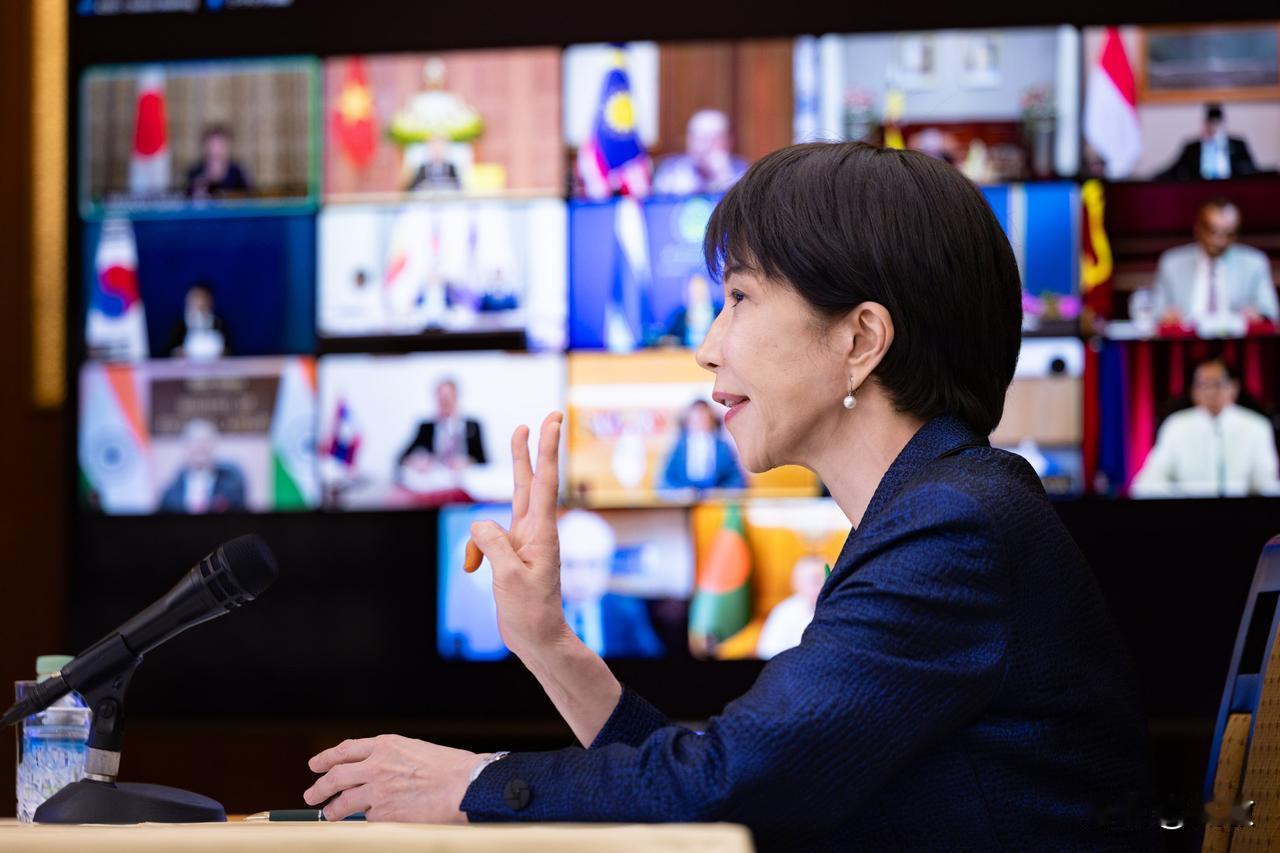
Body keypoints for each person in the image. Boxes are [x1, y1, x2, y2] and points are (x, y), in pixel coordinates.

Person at [303, 143, 1157, 850]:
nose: (708, 346)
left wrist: (474, 783)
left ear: (861, 338)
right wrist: (548, 642)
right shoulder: (943, 508)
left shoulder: (955, 529)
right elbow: (736, 790)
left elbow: (729, 784)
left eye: (740, 297)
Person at [1131, 357, 1280, 498]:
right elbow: (1147, 483)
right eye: (1202, 384)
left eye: (1217, 384)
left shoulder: (1256, 426)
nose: (1210, 392)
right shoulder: (1176, 425)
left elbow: (1266, 482)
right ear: (1193, 390)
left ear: (1234, 387)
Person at [1149, 198, 1279, 331]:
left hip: (1235, 340)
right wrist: (1167, 316)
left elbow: (1271, 312)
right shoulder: (1172, 263)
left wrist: (1258, 314)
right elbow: (1155, 314)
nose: (1220, 241)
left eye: (1228, 233)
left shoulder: (1254, 262)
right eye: (1213, 231)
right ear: (1198, 229)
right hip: (1187, 340)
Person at [557, 509, 664, 659]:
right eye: (569, 564)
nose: (580, 578)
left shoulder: (628, 611)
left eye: (592, 565)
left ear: (607, 567)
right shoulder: (540, 613)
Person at [398, 378, 486, 475]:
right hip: (436, 480)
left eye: (447, 398)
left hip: (465, 478)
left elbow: (484, 460)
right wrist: (415, 461)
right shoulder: (426, 428)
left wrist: (468, 462)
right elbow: (401, 458)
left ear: (456, 397)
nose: (444, 403)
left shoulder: (472, 426)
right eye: (441, 399)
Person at [158, 419, 247, 514]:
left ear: (214, 445)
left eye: (205, 441)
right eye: (195, 442)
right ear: (185, 447)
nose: (200, 447)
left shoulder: (231, 485)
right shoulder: (172, 491)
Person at [651, 110, 748, 196]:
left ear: (728, 141)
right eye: (696, 138)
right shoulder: (671, 170)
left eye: (711, 139)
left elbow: (741, 205)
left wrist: (723, 176)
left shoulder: (742, 172)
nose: (702, 146)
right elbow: (659, 204)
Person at [657, 399, 746, 491]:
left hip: (715, 497)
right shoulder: (678, 447)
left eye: (704, 418)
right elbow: (664, 481)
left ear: (712, 421)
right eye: (696, 419)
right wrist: (681, 492)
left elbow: (738, 480)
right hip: (685, 496)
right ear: (688, 421)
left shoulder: (723, 447)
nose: (700, 421)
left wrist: (719, 491)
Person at [1157, 103, 1258, 181]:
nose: (1214, 128)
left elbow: (1252, 170)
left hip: (1232, 192)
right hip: (1200, 192)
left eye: (1217, 124)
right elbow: (1174, 170)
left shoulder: (1238, 145)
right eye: (1210, 124)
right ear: (1205, 125)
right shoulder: (1192, 148)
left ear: (1224, 125)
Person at [755, 554, 826, 660]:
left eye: (827, 579)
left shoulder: (838, 609)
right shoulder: (784, 613)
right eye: (815, 581)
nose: (823, 586)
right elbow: (767, 654)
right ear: (797, 584)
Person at [166, 282, 232, 360]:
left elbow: (229, 350)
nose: (200, 302)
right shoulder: (180, 325)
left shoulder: (219, 323)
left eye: (203, 297)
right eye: (195, 297)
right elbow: (171, 350)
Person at [185, 125, 252, 198]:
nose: (216, 151)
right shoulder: (196, 171)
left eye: (220, 145)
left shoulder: (236, 172)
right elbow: (187, 197)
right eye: (212, 146)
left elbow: (248, 196)